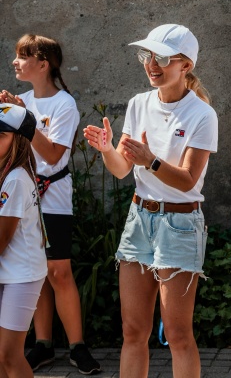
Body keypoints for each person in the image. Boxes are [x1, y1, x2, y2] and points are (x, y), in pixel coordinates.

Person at [83, 24, 218, 378]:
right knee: (132, 332)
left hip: (180, 223)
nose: (151, 65)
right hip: (139, 218)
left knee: (177, 335)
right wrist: (108, 149)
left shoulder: (202, 114)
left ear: (185, 65)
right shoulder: (139, 104)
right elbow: (121, 170)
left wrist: (151, 161)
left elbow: (188, 179)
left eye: (161, 57)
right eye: (147, 55)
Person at [0, 35, 101, 374]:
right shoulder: (21, 100)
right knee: (35, 272)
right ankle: (43, 344)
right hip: (22, 196)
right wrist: (18, 113)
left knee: (58, 271)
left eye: (22, 56)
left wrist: (25, 120)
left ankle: (77, 346)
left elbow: (55, 156)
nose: (15, 62)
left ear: (43, 64)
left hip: (53, 196)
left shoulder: (63, 104)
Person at [0, 105, 46, 377]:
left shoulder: (15, 179)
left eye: (1, 135)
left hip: (21, 274)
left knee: (9, 354)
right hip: (8, 269)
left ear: (18, 141)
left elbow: (2, 239)